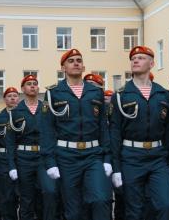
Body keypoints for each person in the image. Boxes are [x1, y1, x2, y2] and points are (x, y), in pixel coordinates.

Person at [40, 49, 112, 220]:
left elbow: (103, 127)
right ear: (63, 67)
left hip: (93, 155)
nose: (76, 63)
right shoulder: (53, 93)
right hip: (66, 157)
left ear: (84, 66)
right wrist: (50, 162)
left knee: (101, 199)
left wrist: (107, 158)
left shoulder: (95, 92)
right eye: (71, 60)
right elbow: (47, 130)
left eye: (79, 60)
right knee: (73, 210)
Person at [109, 46, 169, 220]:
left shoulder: (162, 94)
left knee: (166, 205)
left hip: (157, 157)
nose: (135, 60)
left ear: (151, 63)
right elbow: (114, 133)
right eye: (133, 58)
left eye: (141, 58)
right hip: (131, 157)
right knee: (134, 210)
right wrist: (116, 168)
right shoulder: (121, 96)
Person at [6, 75, 60, 220]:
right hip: (24, 160)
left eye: (35, 84)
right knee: (26, 199)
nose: (32, 86)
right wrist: (11, 166)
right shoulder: (15, 112)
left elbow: (55, 133)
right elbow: (10, 142)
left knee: (49, 193)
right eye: (29, 84)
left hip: (44, 158)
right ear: (23, 89)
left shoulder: (47, 108)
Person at [0, 87, 20, 220]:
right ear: (4, 99)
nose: (12, 98)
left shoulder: (24, 114)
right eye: (9, 96)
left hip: (22, 158)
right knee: (7, 197)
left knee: (26, 196)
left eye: (15, 95)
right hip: (4, 160)